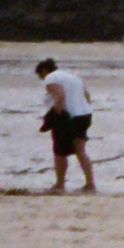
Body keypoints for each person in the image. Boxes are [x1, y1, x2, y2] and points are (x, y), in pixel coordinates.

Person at [36, 58, 95, 192]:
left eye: (40, 75)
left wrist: (56, 115)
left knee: (59, 151)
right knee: (80, 151)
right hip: (84, 114)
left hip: (68, 116)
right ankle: (90, 184)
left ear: (44, 71)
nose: (42, 79)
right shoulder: (72, 76)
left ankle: (59, 184)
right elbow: (87, 95)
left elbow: (60, 96)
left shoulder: (51, 77)